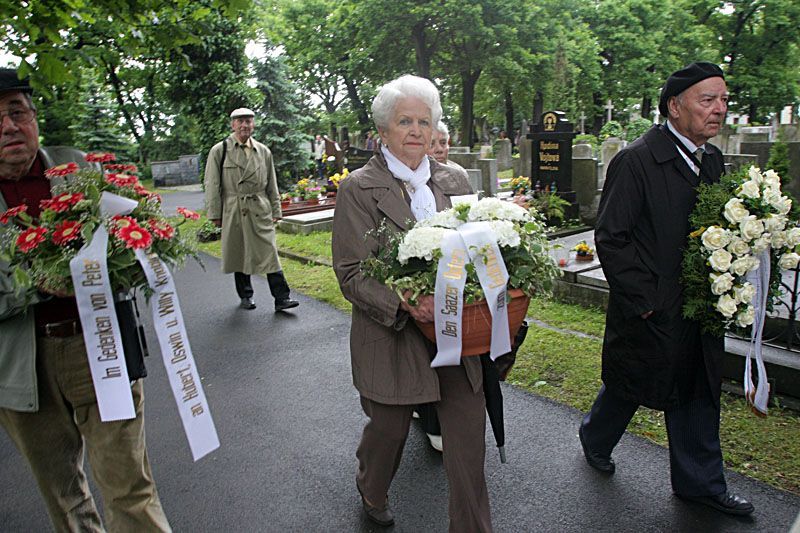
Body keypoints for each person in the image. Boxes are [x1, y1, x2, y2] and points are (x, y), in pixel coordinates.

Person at [578, 62, 754, 516]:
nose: (719, 110)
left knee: (696, 386)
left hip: (700, 305)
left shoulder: (712, 159)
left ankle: (700, 485)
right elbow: (611, 237)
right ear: (675, 107)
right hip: (652, 308)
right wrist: (647, 303)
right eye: (708, 100)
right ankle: (596, 435)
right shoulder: (637, 160)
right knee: (632, 382)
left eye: (724, 100)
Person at [0, 68, 171, 531]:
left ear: (34, 117)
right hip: (21, 369)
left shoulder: (80, 168)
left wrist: (141, 251)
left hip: (101, 349)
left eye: (16, 112)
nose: (8, 126)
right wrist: (35, 285)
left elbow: (134, 233)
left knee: (129, 490)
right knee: (65, 499)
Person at [332, 74, 492, 531]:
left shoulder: (454, 178)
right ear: (383, 130)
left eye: (425, 121)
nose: (417, 131)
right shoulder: (358, 189)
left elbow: (482, 246)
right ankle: (372, 484)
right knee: (390, 431)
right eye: (405, 121)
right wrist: (404, 300)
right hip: (394, 336)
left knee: (467, 443)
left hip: (457, 335)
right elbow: (351, 273)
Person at [204, 108, 299, 312]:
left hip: (259, 208)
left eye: (248, 121)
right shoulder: (220, 150)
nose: (244, 125)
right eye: (240, 121)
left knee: (269, 253)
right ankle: (246, 295)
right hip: (233, 208)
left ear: (253, 124)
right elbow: (212, 184)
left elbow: (271, 183)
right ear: (233, 125)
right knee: (239, 252)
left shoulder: (263, 151)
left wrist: (276, 210)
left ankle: (282, 298)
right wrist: (215, 214)